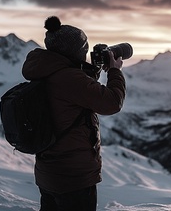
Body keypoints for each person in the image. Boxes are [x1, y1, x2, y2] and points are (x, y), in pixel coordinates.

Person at [22, 16, 126, 211]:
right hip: (74, 179)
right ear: (75, 51)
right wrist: (114, 72)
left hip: (48, 174)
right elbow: (111, 103)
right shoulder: (69, 78)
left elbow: (73, 94)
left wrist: (91, 72)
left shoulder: (46, 70)